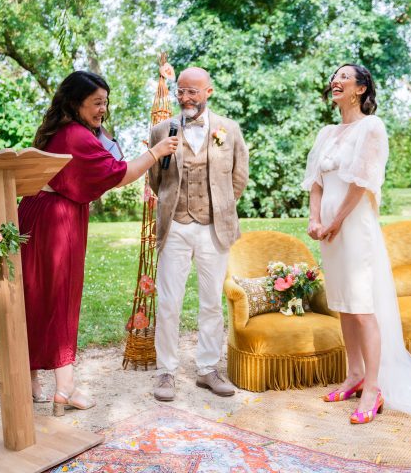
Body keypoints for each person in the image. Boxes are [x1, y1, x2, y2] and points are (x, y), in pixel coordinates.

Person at [302, 64, 411, 425]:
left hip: (354, 225)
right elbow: (315, 182)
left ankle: (373, 387)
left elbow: (361, 183)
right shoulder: (326, 132)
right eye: (334, 76)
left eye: (345, 77)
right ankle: (353, 374)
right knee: (344, 304)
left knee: (362, 306)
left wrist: (334, 222)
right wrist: (315, 220)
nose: (336, 80)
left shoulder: (371, 128)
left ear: (361, 89)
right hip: (329, 228)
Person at [19, 70, 178, 416]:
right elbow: (118, 175)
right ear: (75, 102)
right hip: (56, 222)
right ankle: (65, 390)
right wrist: (157, 151)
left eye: (105, 102)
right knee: (60, 298)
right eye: (96, 102)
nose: (103, 109)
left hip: (35, 213)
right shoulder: (76, 135)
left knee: (33, 296)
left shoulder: (59, 130)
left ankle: (29, 381)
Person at [148, 67, 249, 401]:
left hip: (213, 228)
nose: (186, 98)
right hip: (175, 226)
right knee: (169, 302)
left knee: (211, 302)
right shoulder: (162, 129)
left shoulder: (229, 129)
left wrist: (219, 207)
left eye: (193, 91)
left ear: (209, 91)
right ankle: (166, 372)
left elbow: (239, 176)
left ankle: (207, 369)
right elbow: (155, 179)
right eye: (181, 91)